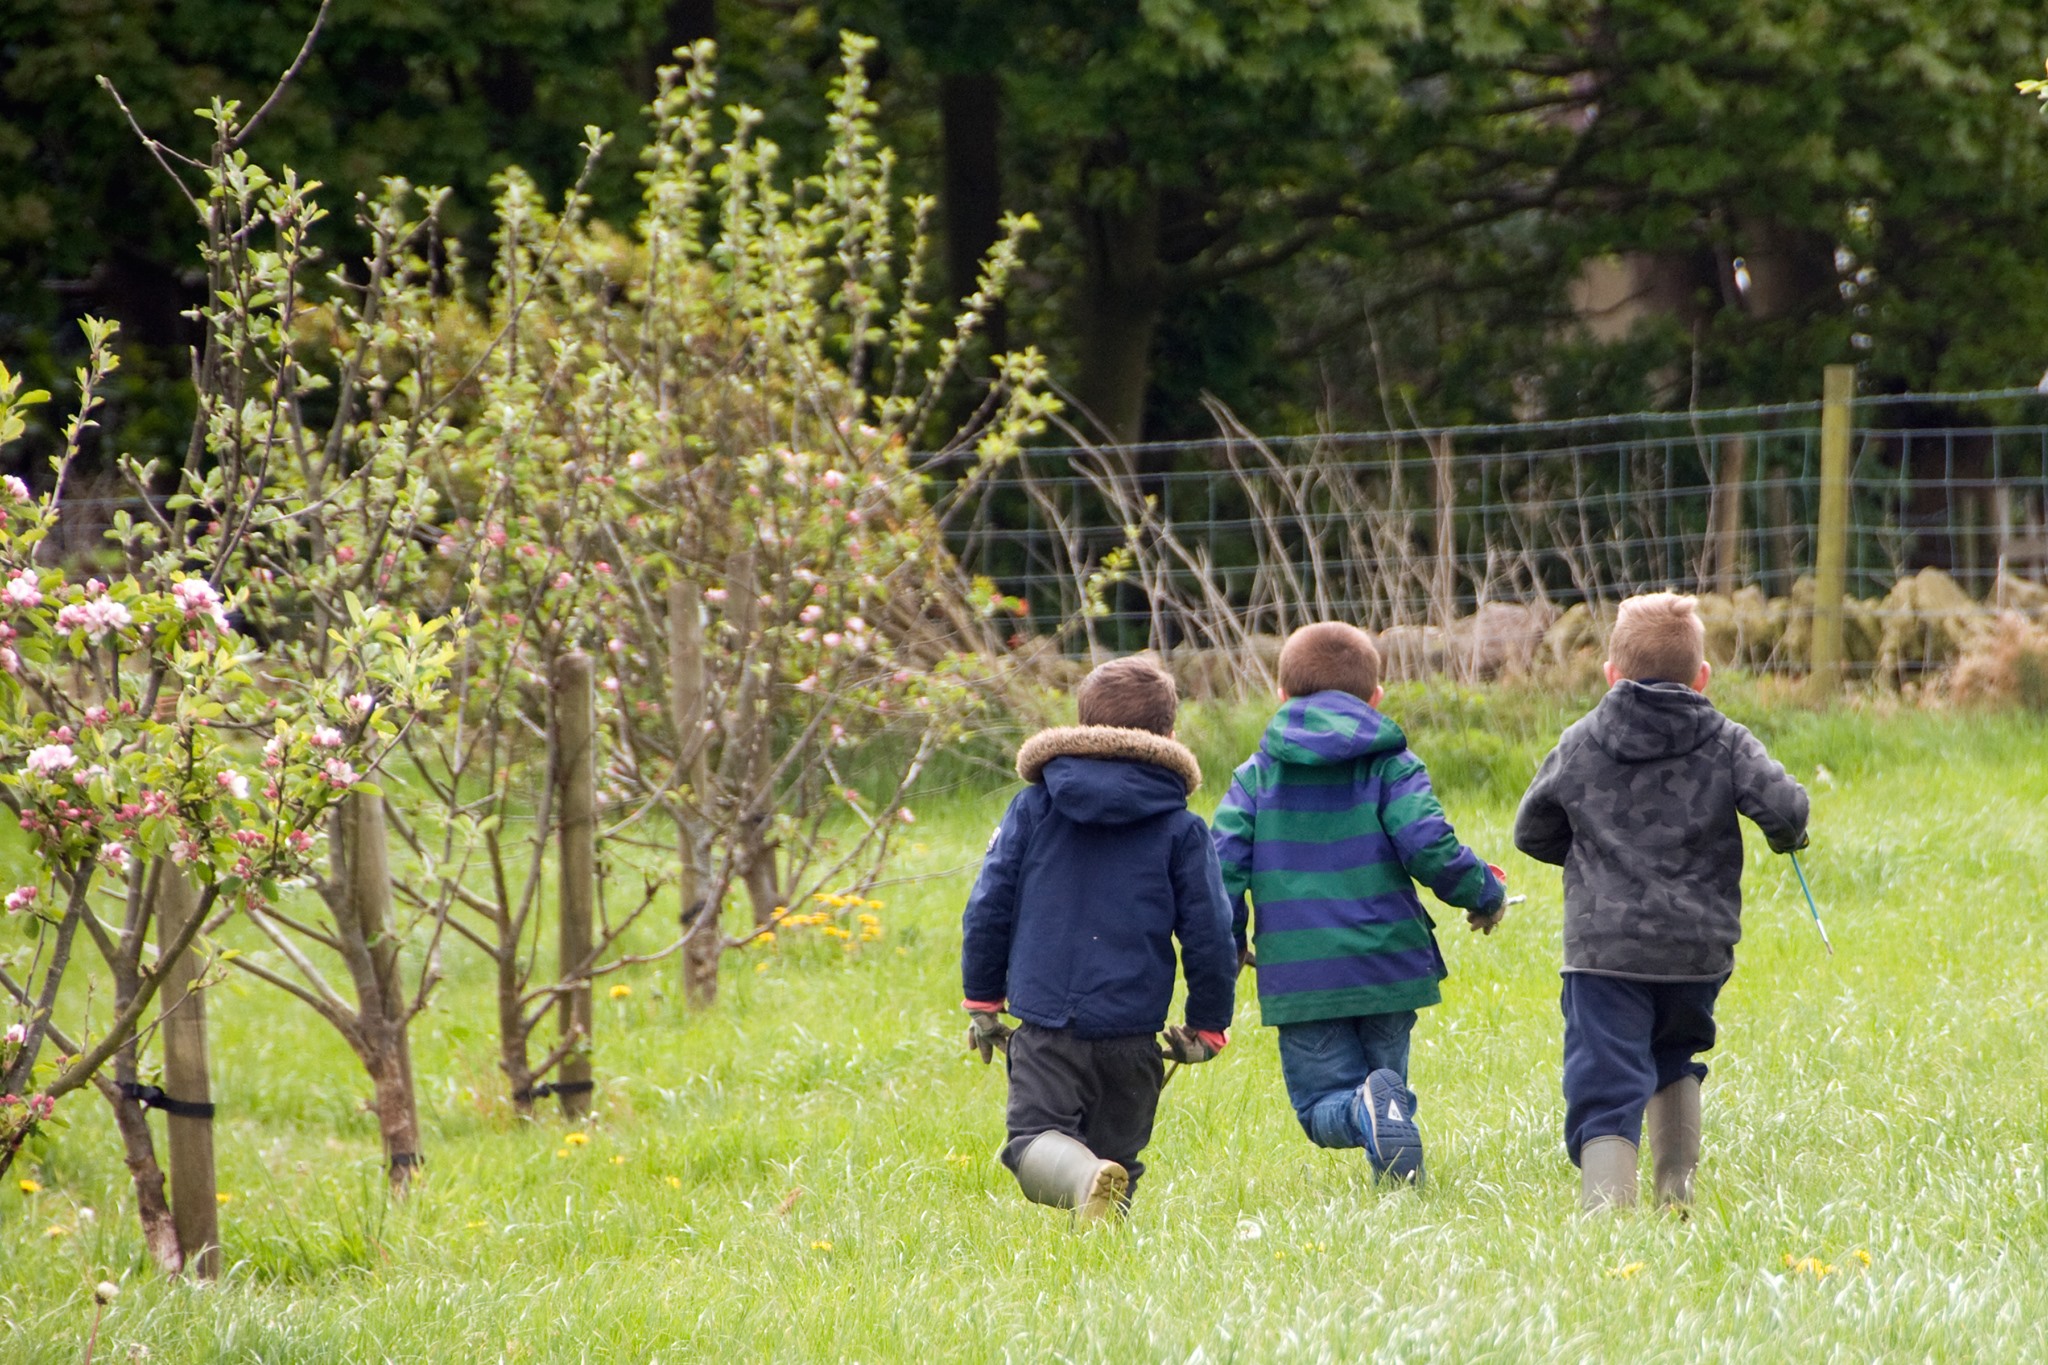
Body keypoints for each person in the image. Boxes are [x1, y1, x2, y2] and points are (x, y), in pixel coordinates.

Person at [1514, 592, 1809, 1211]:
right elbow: (1785, 809)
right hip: (1695, 949)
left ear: (1611, 675)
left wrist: (1588, 858)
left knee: (1605, 1076)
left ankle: (1607, 1215)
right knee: (1675, 1055)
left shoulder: (1582, 739)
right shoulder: (1726, 739)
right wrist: (1788, 837)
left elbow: (1531, 830)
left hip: (1604, 951)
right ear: (1701, 677)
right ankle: (1676, 1194)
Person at [1212, 623, 1507, 1184]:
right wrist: (1482, 892)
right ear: (1375, 697)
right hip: (1389, 962)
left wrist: (1229, 945)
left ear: (1281, 695)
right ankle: (1393, 1174)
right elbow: (1427, 843)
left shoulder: (1255, 779)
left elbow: (1219, 870)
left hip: (1302, 973)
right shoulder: (1392, 765)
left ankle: (1365, 1119)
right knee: (1386, 1088)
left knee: (1324, 1102)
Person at [960, 656, 1239, 1222]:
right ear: (1168, 734)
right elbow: (1212, 931)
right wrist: (1208, 1024)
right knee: (1120, 1161)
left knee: (1033, 1142)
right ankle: (1101, 1253)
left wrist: (983, 1003)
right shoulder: (1182, 827)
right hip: (1133, 1031)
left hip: (1048, 1024)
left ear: (1083, 726)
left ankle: (1085, 1180)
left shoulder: (1035, 808)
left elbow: (988, 906)